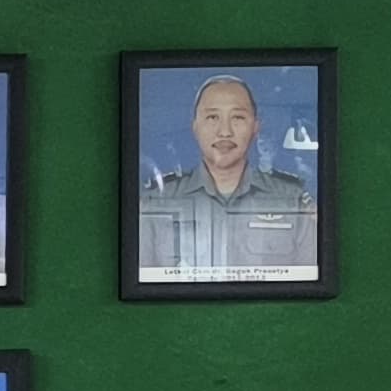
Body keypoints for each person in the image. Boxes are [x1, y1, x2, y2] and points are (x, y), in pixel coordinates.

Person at [133, 74, 317, 280]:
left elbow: (309, 285)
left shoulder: (292, 200)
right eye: (212, 117)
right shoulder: (156, 201)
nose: (225, 132)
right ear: (195, 126)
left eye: (238, 117)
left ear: (256, 127)